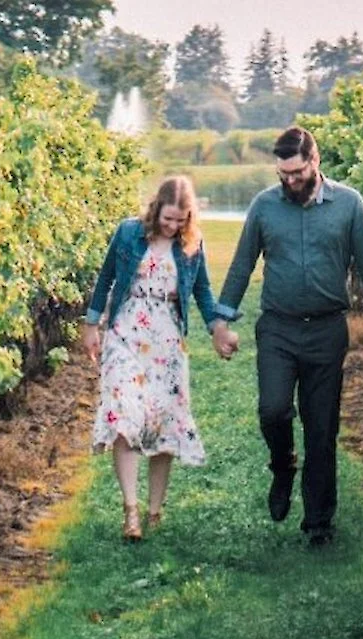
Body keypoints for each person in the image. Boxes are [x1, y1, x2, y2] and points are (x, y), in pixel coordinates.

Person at [209, 126, 363, 547]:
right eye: (282, 174)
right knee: (273, 411)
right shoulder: (264, 206)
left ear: (315, 162)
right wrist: (221, 321)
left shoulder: (349, 205)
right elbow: (241, 265)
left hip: (328, 330)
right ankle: (282, 464)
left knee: (321, 426)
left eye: (296, 173)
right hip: (278, 327)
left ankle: (319, 522)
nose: (289, 181)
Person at [82, 176, 223, 542]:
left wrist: (216, 328)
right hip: (127, 331)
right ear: (156, 208)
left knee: (163, 421)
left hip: (167, 338)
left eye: (181, 220)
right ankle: (131, 512)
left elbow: (204, 291)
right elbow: (106, 278)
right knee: (124, 412)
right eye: (168, 218)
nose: (173, 226)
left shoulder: (192, 245)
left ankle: (155, 511)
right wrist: (91, 323)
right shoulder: (128, 233)